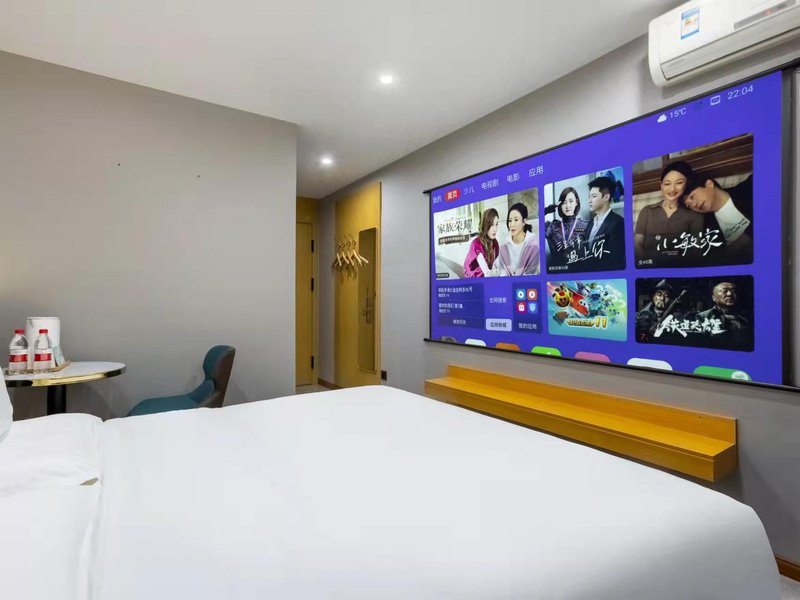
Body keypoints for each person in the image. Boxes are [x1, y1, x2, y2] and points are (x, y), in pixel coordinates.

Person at [634, 161, 703, 267]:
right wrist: (646, 264)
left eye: (679, 183)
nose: (672, 189)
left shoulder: (694, 213)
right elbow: (637, 243)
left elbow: (696, 249)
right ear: (661, 185)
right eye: (667, 184)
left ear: (688, 183)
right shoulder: (647, 211)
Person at [684, 174, 753, 263]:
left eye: (692, 196)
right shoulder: (707, 229)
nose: (694, 205)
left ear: (709, 184)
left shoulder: (749, 187)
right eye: (689, 206)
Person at [695, 281, 753, 350]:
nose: (729, 294)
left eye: (733, 291)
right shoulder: (702, 317)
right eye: (724, 291)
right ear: (714, 297)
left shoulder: (750, 316)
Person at [544, 187, 589, 269]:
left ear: (576, 202)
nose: (567, 206)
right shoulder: (551, 227)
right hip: (557, 272)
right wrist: (547, 210)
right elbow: (536, 222)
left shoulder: (586, 226)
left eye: (571, 201)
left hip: (581, 271)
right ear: (560, 205)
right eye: (564, 202)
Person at [586, 176, 625, 270]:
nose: (589, 200)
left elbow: (616, 261)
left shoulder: (618, 223)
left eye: (594, 196)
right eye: (589, 196)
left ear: (606, 197)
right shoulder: (590, 223)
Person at [497, 202, 540, 275]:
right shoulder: (503, 246)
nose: (512, 224)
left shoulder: (534, 243)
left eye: (516, 220)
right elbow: (501, 271)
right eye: (510, 220)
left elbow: (534, 271)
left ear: (524, 222)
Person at [463, 208, 500, 278]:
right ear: (485, 225)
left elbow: (496, 265)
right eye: (492, 225)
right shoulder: (476, 243)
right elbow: (487, 273)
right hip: (474, 276)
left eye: (496, 224)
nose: (495, 229)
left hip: (487, 274)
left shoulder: (494, 242)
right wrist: (499, 272)